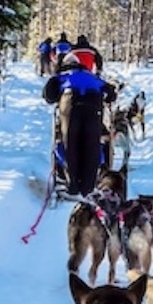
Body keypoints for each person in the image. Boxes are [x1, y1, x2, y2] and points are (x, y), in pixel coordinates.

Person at [43, 52, 111, 196]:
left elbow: (48, 96)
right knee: (92, 144)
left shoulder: (61, 77)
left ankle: (72, 184)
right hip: (93, 105)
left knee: (70, 144)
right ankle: (89, 186)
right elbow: (111, 93)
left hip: (70, 103)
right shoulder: (93, 77)